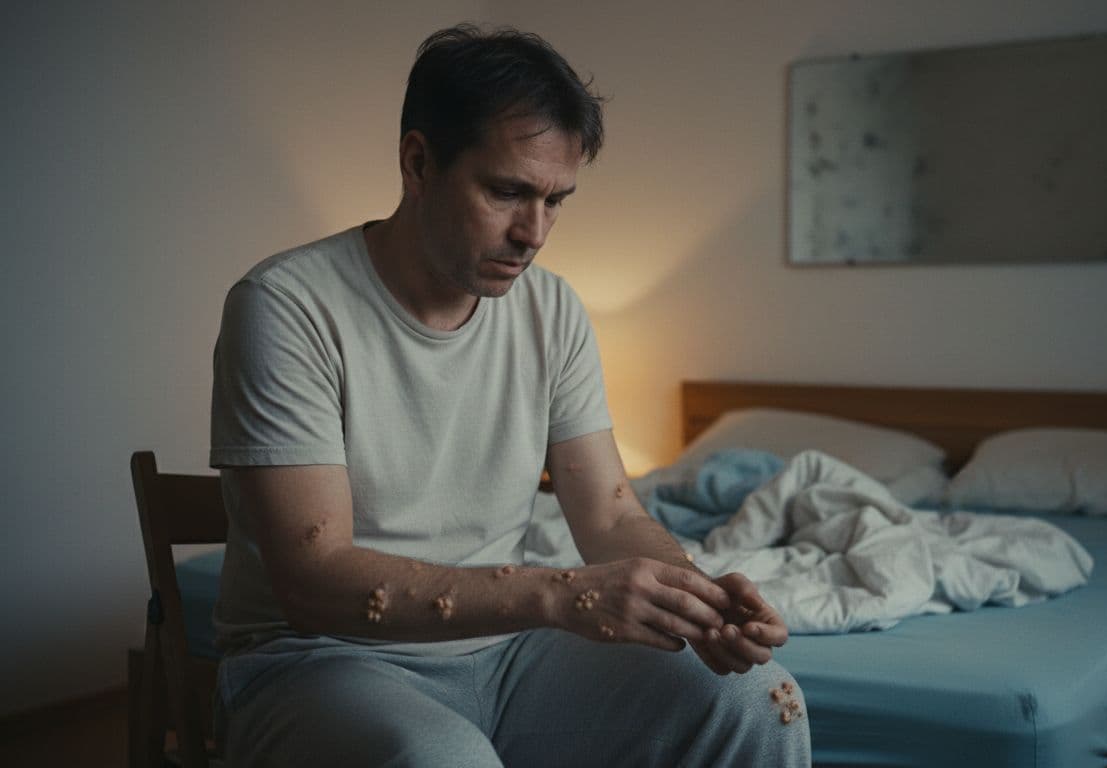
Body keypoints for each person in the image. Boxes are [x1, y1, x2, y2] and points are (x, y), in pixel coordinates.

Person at [209, 23, 810, 767]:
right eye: (507, 192)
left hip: (509, 656)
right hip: (319, 661)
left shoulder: (552, 310)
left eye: (556, 201)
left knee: (763, 703)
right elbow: (312, 579)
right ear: (418, 162)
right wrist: (562, 594)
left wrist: (699, 601)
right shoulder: (286, 306)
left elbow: (610, 514)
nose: (534, 232)